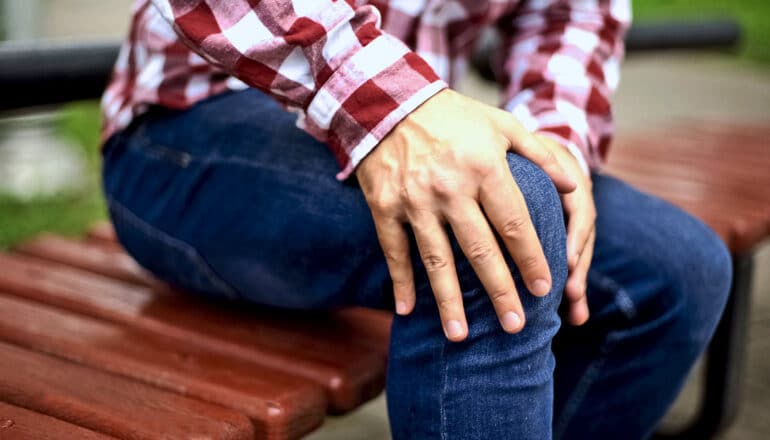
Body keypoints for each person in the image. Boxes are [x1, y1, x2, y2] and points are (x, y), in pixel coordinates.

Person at [100, 1, 732, 438]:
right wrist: (386, 108)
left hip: (409, 117)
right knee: (488, 226)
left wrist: (552, 147)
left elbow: (570, 16)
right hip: (189, 130)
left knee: (680, 271)